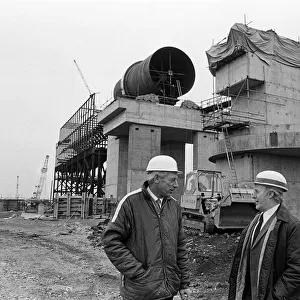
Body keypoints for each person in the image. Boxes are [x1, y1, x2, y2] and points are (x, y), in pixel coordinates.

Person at [102, 155, 191, 300]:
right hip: (140, 292)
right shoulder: (130, 203)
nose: (176, 185)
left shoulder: (174, 206)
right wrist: (139, 273)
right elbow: (111, 241)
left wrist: (184, 284)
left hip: (168, 291)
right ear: (156, 178)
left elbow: (180, 247)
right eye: (172, 180)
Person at [228, 170, 300, 300]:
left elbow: (296, 270)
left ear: (271, 194)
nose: (253, 195)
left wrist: (274, 296)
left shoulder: (292, 226)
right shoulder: (254, 223)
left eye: (257, 191)